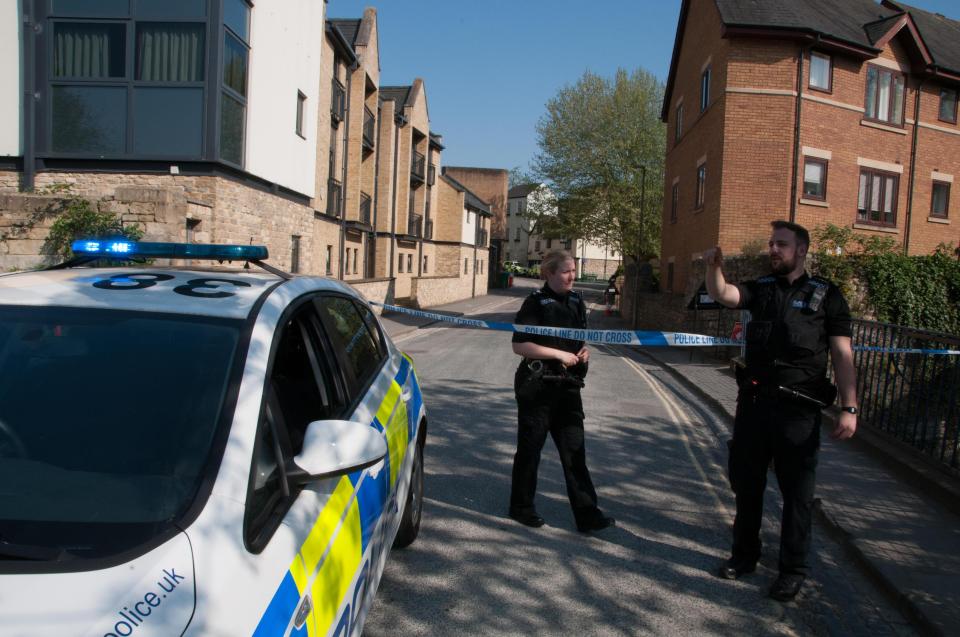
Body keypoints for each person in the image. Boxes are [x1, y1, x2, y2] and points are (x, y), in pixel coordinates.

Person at [704, 220, 858, 602]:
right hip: (755, 404)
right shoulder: (763, 288)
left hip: (798, 411)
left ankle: (792, 570)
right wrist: (713, 266)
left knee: (797, 495)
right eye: (772, 243)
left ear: (801, 250)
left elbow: (842, 353)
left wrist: (849, 407)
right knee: (747, 485)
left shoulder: (828, 295)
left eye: (782, 245)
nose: (774, 250)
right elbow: (724, 294)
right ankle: (744, 556)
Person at [509, 250, 615, 533]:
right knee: (530, 450)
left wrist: (582, 352)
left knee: (574, 453)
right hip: (538, 386)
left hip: (567, 387)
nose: (572, 276)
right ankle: (521, 508)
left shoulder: (577, 301)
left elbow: (577, 340)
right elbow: (520, 345)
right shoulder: (535, 303)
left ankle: (587, 514)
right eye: (566, 271)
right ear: (549, 273)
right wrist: (557, 354)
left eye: (574, 270)